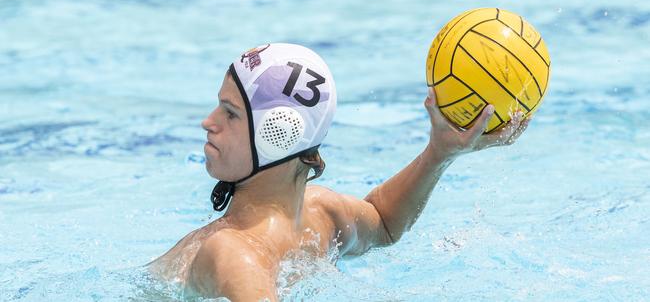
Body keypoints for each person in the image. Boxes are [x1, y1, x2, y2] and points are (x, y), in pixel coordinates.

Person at [148, 43, 530, 301]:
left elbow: (382, 223)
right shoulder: (233, 252)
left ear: (279, 133)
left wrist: (441, 152)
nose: (207, 122)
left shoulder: (322, 214)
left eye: (229, 113)